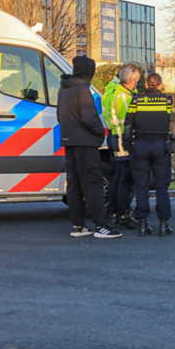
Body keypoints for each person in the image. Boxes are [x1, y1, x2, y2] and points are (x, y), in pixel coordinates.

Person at [58, 56, 121, 239]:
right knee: (93, 184)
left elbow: (59, 116)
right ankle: (101, 226)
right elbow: (88, 118)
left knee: (74, 184)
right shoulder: (82, 89)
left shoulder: (63, 89)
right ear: (89, 71)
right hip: (86, 143)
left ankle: (78, 226)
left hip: (68, 141)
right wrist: (99, 132)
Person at [124, 72, 175, 237]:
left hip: (140, 145)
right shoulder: (168, 100)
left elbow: (128, 125)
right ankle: (164, 224)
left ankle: (143, 224)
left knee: (141, 187)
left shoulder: (136, 100)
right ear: (159, 85)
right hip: (160, 146)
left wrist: (128, 146)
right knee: (162, 186)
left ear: (145, 84)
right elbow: (168, 118)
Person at [103, 63, 140, 223]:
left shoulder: (116, 93)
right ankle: (123, 212)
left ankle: (115, 211)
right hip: (122, 141)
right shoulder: (124, 97)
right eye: (137, 79)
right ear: (131, 80)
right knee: (125, 178)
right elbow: (129, 123)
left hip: (115, 138)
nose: (137, 82)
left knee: (117, 177)